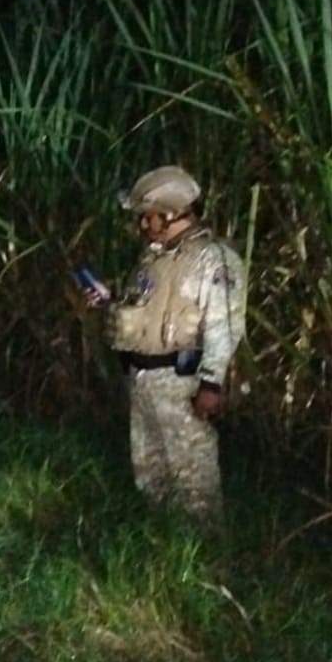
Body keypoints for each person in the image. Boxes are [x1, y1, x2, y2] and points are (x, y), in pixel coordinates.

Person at [82, 166, 248, 525]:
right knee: (151, 473)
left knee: (193, 478)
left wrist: (211, 384)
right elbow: (146, 310)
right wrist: (109, 303)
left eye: (148, 217)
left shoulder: (213, 260)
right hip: (143, 378)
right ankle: (165, 552)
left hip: (181, 381)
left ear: (171, 213)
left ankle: (206, 558)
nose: (143, 226)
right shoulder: (154, 257)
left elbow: (225, 326)